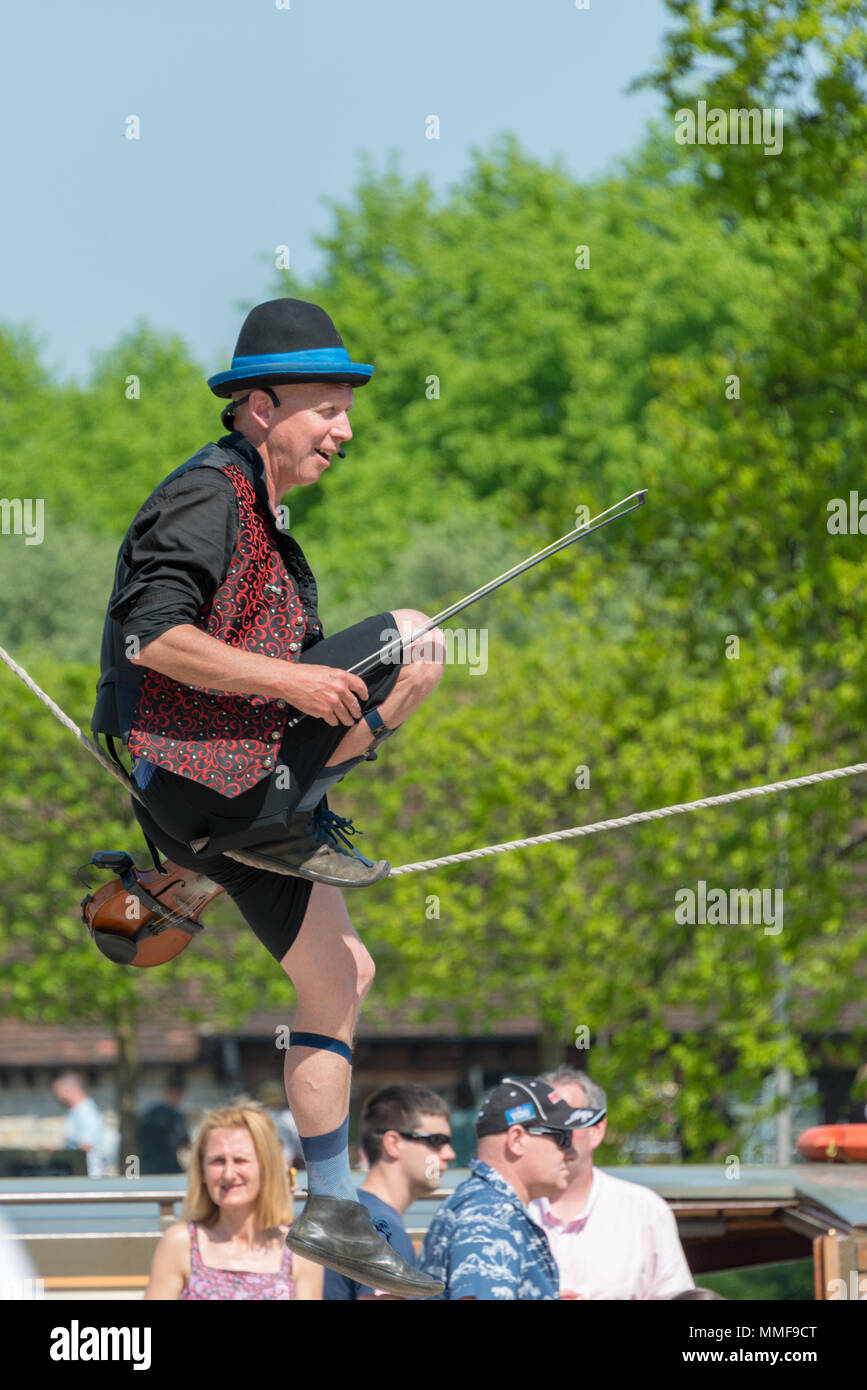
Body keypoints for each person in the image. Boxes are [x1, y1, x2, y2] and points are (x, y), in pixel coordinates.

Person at [91, 298, 445, 1296]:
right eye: (325, 409)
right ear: (257, 406)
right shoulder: (207, 496)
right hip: (203, 779)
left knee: (341, 979)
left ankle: (329, 1213)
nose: (344, 429)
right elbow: (146, 639)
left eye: (346, 411)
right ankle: (221, 853)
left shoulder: (268, 517)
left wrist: (308, 690)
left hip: (229, 788)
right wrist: (294, 682)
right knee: (412, 631)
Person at [419, 1076, 594, 1300]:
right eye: (562, 1137)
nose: (570, 1154)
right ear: (517, 1140)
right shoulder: (490, 1219)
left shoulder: (486, 1206)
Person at [528, 1067, 695, 1300]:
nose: (556, 1134)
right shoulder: (507, 1210)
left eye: (567, 1121)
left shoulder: (644, 1211)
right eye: (544, 1123)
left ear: (597, 1129)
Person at [144, 1102, 322, 1299]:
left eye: (240, 1160)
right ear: (202, 1171)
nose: (229, 1174)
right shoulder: (180, 1243)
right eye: (218, 1161)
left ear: (266, 1167)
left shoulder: (300, 1251)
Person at [324, 1084, 456, 1301]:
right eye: (436, 1141)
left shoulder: (349, 1213)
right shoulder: (383, 1229)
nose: (449, 1154)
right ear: (393, 1143)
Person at [50, 1072, 107, 1178]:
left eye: (58, 1092)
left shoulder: (86, 1111)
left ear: (70, 1089)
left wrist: (57, 1153)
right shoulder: (74, 1111)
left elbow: (86, 1145)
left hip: (89, 1176)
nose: (58, 1097)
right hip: (77, 1174)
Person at [137, 1079, 189, 1175]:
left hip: (145, 1169)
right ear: (178, 1093)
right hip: (169, 1170)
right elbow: (184, 1146)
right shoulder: (176, 1116)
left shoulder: (146, 1115)